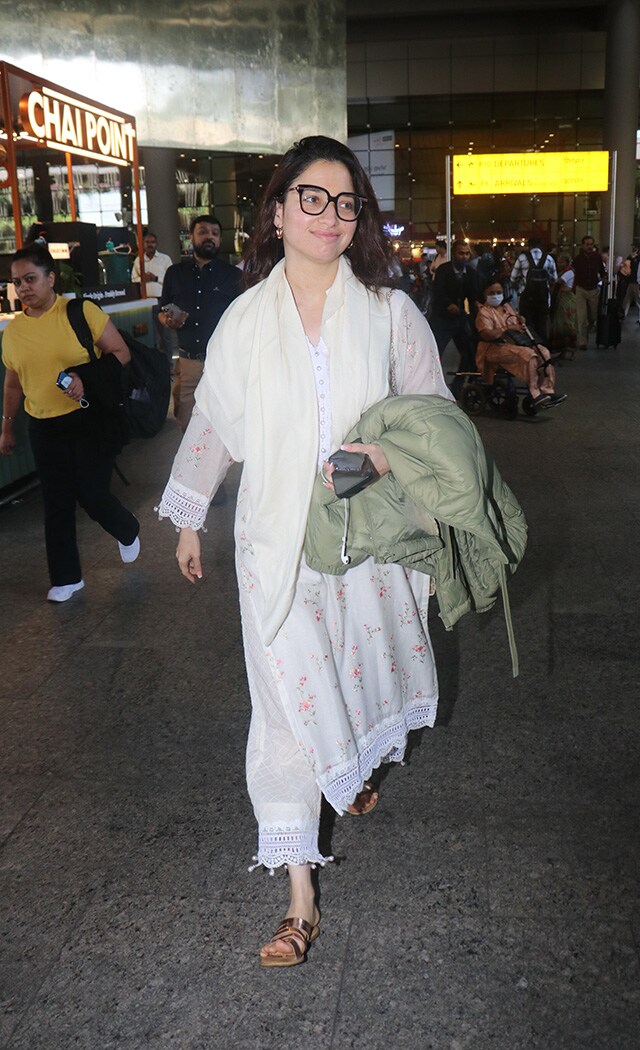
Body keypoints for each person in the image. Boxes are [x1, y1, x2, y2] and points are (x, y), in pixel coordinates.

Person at [157, 136, 452, 968]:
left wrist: (385, 457)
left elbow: (435, 416)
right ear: (279, 210)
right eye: (312, 199)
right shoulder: (246, 319)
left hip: (368, 547)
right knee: (284, 708)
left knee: (353, 682)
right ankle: (299, 895)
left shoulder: (392, 313)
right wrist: (188, 517)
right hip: (273, 547)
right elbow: (215, 418)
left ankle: (349, 763)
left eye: (345, 202)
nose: (330, 216)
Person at [0, 245, 140, 602]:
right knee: (57, 502)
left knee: (92, 495)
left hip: (89, 417)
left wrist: (83, 377)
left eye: (30, 278)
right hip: (43, 426)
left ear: (50, 278)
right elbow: (13, 382)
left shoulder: (79, 312)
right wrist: (7, 426)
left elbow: (120, 353)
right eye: (17, 282)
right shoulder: (14, 332)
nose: (24, 288)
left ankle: (126, 528)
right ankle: (66, 577)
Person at [159, 214, 242, 431]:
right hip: (189, 364)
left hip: (223, 364)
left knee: (223, 428)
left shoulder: (233, 276)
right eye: (203, 232)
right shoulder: (175, 273)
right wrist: (167, 319)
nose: (209, 237)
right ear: (191, 238)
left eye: (215, 234)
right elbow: (163, 308)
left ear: (220, 241)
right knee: (186, 424)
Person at [475, 279, 566, 411]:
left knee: (543, 352)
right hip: (493, 348)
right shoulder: (484, 312)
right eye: (492, 293)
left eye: (499, 292)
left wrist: (520, 321)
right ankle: (534, 392)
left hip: (515, 344)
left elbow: (517, 324)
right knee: (529, 356)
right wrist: (507, 328)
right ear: (485, 294)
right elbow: (487, 335)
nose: (496, 295)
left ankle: (547, 390)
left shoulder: (507, 308)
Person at [429, 239, 478, 391]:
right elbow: (437, 292)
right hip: (441, 320)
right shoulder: (443, 270)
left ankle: (457, 386)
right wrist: (448, 305)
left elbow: (472, 296)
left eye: (467, 254)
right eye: (461, 253)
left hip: (460, 320)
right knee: (435, 353)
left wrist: (476, 314)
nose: (464, 257)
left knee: (468, 353)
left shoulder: (470, 273)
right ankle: (431, 385)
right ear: (454, 254)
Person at [131, 231, 174, 361]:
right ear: (143, 244)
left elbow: (171, 279)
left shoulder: (165, 259)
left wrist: (155, 278)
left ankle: (168, 365)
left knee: (165, 335)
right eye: (147, 242)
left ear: (156, 244)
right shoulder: (139, 260)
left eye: (152, 242)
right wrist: (142, 278)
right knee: (151, 335)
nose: (150, 245)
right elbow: (133, 278)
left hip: (162, 301)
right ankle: (156, 364)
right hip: (145, 302)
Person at [509, 237, 557, 340]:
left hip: (526, 298)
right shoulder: (548, 258)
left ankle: (531, 350)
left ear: (528, 246)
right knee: (542, 325)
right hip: (543, 298)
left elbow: (513, 278)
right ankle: (543, 351)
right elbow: (554, 279)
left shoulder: (522, 258)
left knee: (528, 325)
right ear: (541, 246)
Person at [571, 235, 606, 351]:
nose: (589, 247)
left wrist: (604, 279)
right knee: (581, 317)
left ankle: (588, 329)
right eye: (587, 244)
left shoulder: (597, 257)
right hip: (581, 289)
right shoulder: (577, 259)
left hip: (593, 289)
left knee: (593, 316)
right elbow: (573, 273)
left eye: (591, 244)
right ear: (583, 245)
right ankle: (582, 341)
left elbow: (602, 271)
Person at [549, 254, 577, 358]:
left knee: (566, 323)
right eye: (558, 262)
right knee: (560, 323)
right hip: (560, 298)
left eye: (561, 262)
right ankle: (563, 350)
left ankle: (569, 349)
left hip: (566, 299)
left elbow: (559, 282)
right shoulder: (562, 272)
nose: (559, 264)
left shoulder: (569, 272)